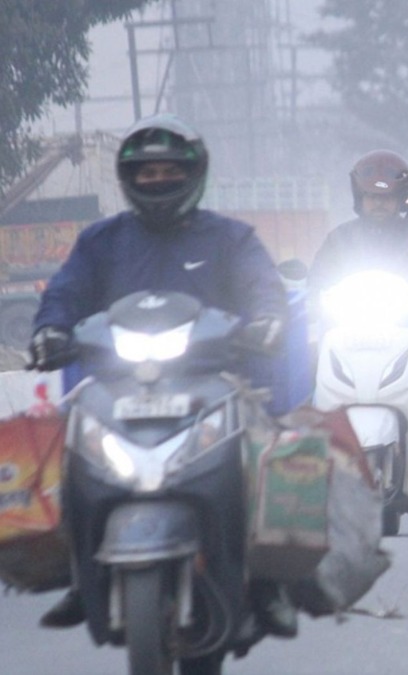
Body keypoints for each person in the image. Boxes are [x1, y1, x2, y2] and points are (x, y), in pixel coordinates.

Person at [29, 113, 297, 637]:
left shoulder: (231, 238)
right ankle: (79, 578)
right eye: (146, 173)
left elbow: (264, 290)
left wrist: (267, 321)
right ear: (129, 180)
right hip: (115, 384)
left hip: (216, 380)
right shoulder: (100, 242)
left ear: (194, 173)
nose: (157, 181)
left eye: (169, 170)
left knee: (271, 453)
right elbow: (64, 293)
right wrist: (50, 331)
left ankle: (268, 587)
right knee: (62, 455)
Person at [307, 149, 408, 475]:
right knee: (305, 359)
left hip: (407, 333)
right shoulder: (340, 239)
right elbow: (316, 280)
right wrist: (312, 300)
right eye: (371, 197)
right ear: (358, 197)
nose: (379, 204)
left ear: (402, 199)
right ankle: (303, 446)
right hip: (343, 332)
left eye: (387, 198)